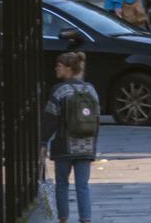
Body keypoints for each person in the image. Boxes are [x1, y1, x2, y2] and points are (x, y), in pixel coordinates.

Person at [42, 51, 102, 223]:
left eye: (59, 66)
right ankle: (86, 218)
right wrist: (93, 146)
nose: (56, 69)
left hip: (64, 145)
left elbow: (50, 118)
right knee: (82, 185)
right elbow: (96, 118)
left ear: (69, 69)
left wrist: (43, 141)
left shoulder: (60, 90)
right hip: (86, 145)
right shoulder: (90, 90)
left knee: (62, 184)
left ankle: (63, 219)